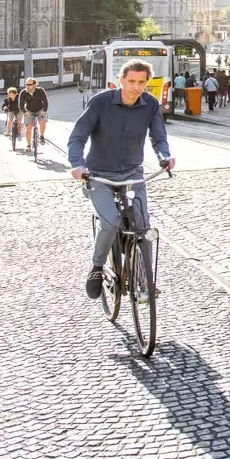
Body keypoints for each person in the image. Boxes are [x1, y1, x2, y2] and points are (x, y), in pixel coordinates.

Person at [69, 59, 175, 300]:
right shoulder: (101, 102)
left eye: (142, 82)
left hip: (132, 174)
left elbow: (159, 138)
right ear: (121, 80)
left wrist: (165, 156)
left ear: (147, 82)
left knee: (142, 224)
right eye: (131, 82)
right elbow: (77, 137)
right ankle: (96, 267)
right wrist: (77, 165)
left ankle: (145, 279)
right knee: (112, 222)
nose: (136, 88)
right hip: (98, 175)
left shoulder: (151, 104)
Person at [18, 77, 49, 150]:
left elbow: (45, 101)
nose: (27, 86)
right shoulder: (23, 92)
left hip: (40, 109)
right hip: (29, 110)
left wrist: (44, 110)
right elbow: (21, 104)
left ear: (34, 85)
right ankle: (28, 145)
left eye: (29, 84)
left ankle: (41, 136)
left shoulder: (40, 91)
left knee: (42, 121)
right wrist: (25, 112)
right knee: (28, 127)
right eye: (26, 84)